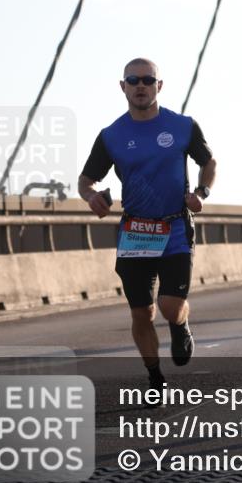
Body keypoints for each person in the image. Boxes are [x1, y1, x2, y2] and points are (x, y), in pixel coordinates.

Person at [79, 58, 216, 403]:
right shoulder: (112, 135)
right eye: (133, 80)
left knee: (169, 306)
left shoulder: (182, 126)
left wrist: (201, 193)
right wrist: (92, 196)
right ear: (122, 86)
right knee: (141, 311)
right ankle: (155, 377)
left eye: (148, 80)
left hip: (175, 228)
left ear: (159, 85)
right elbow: (85, 180)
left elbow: (208, 162)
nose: (141, 85)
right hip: (136, 232)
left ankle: (180, 324)